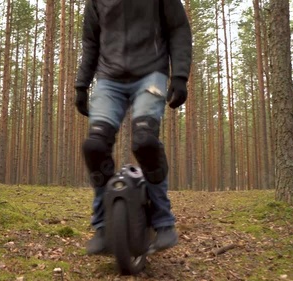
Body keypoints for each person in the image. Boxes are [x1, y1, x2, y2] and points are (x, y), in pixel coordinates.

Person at [75, 0, 192, 255]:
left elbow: (179, 28)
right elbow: (91, 42)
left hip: (151, 74)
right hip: (109, 79)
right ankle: (104, 225)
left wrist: (180, 76)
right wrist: (81, 85)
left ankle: (163, 221)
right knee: (94, 146)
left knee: (145, 142)